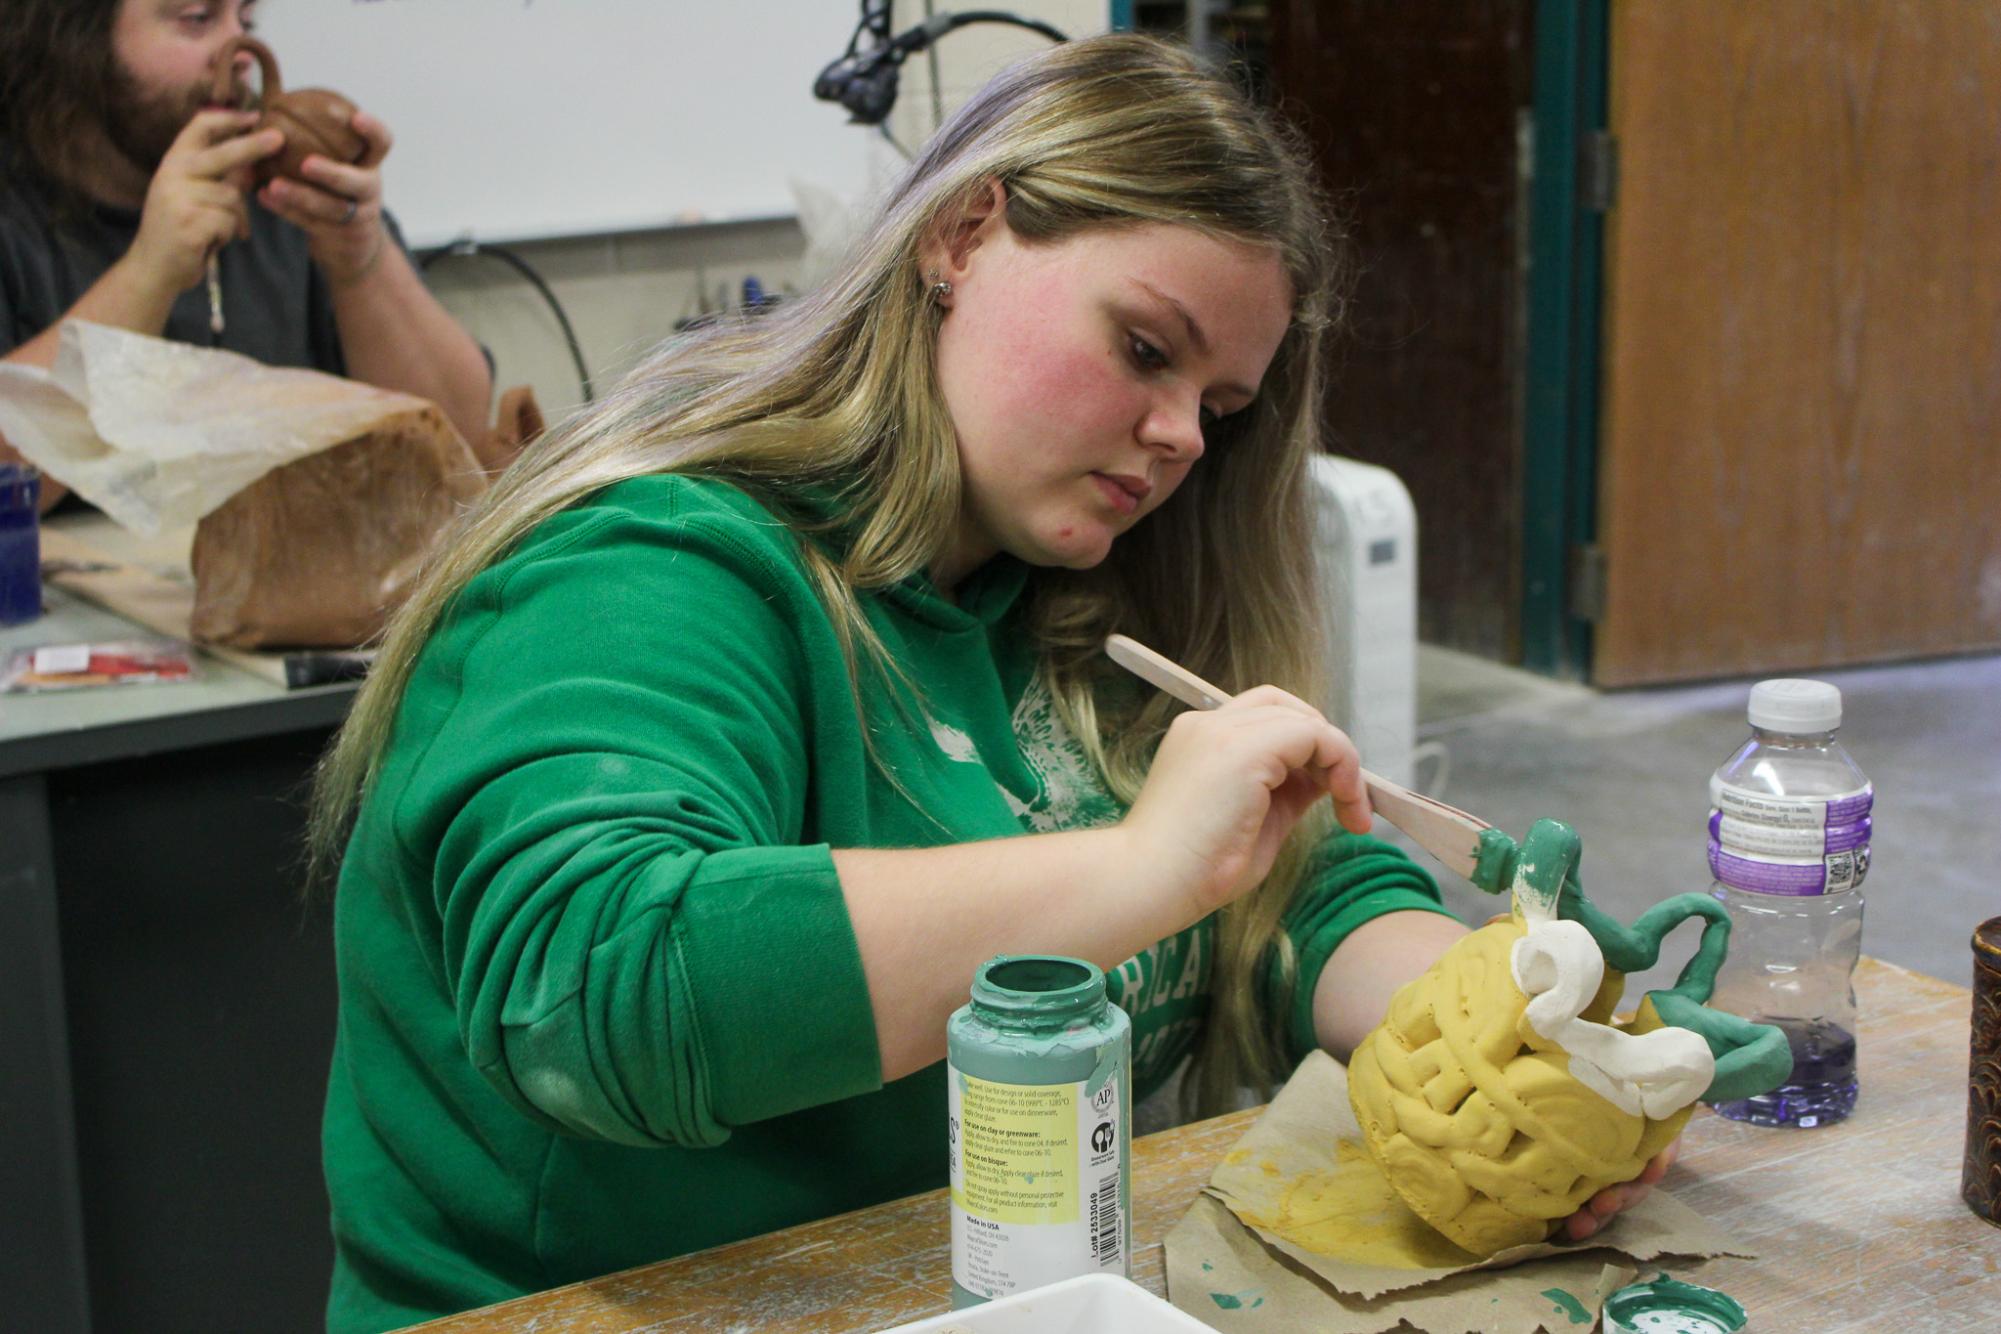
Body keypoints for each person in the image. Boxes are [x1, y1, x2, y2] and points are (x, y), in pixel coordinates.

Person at [306, 34, 1666, 1332]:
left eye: (1223, 404)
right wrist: (1134, 868)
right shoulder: (651, 564)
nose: (1181, 433)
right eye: (1144, 348)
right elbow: (606, 992)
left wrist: (1512, 1038)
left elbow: (1302, 881)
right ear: (961, 238)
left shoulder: (1085, 598)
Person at [0, 0, 492, 511]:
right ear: (77, 39)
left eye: (246, 21)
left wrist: (360, 260)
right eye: (197, 19)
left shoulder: (290, 193)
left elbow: (461, 442)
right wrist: (148, 273)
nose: (240, 54)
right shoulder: (16, 209)